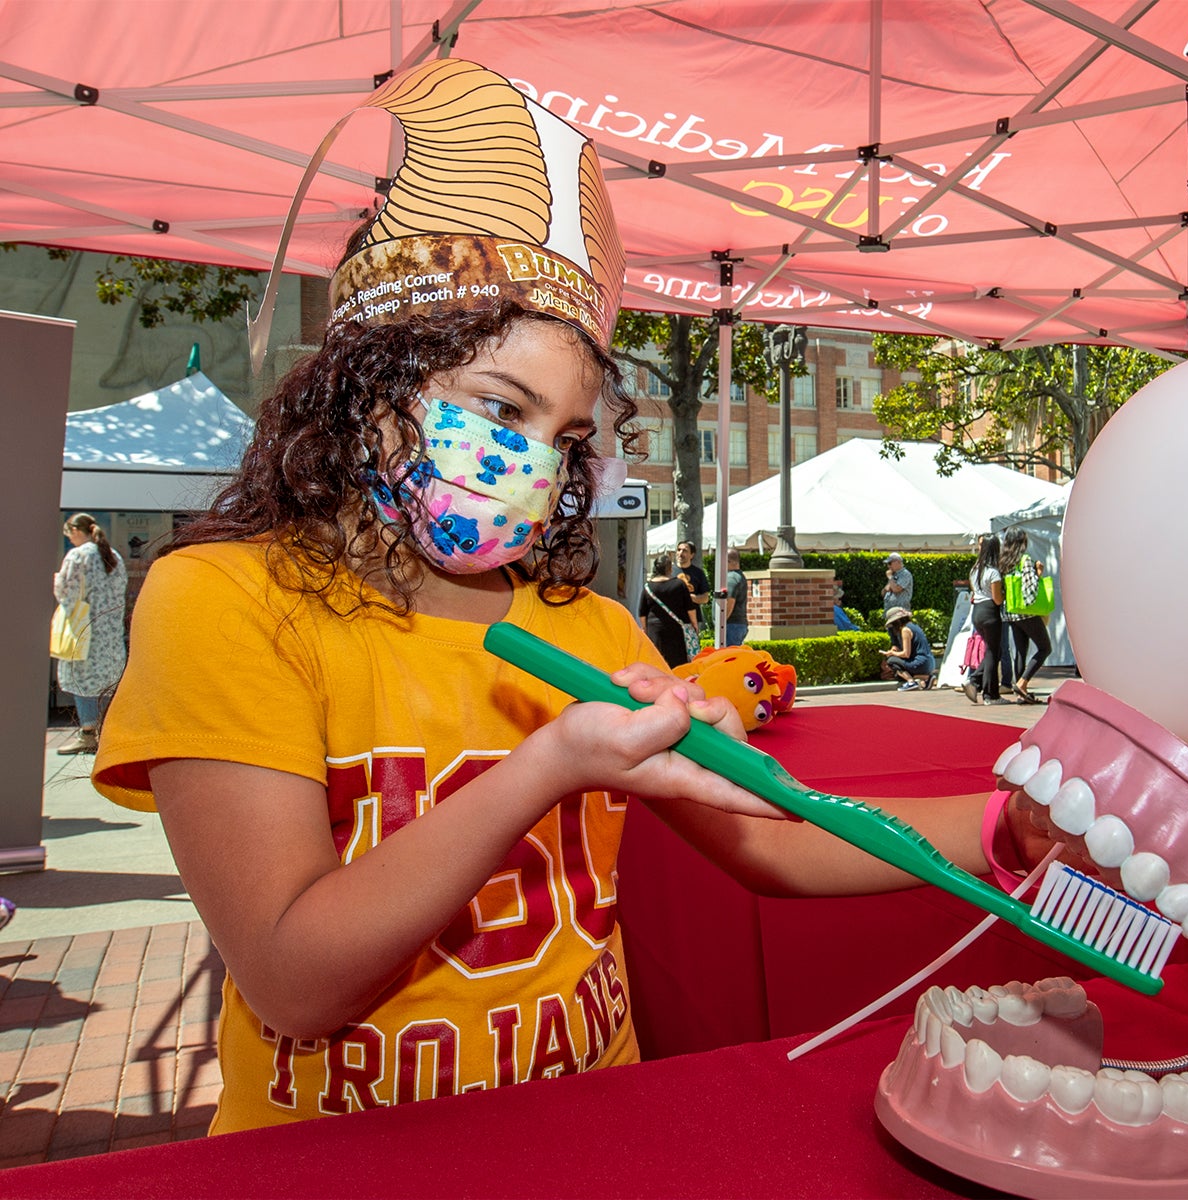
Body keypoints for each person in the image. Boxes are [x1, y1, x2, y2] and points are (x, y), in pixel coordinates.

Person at [85, 58, 1048, 1135]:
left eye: (567, 438)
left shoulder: (587, 627)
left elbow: (773, 840)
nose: (534, 464)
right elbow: (295, 980)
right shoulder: (222, 599)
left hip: (587, 1132)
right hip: (332, 1159)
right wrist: (547, 767)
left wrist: (1017, 829)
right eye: (500, 409)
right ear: (366, 388)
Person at [52, 513, 129, 755]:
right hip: (110, 633)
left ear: (75, 531)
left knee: (83, 682)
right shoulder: (113, 556)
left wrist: (56, 582)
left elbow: (68, 593)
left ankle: (87, 733)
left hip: (84, 631)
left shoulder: (78, 556)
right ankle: (105, 733)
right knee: (106, 683)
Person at [999, 528, 1052, 705]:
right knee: (1045, 648)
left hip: (1011, 613)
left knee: (1020, 651)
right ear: (1022, 542)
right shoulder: (1024, 560)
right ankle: (1022, 683)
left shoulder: (1003, 562)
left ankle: (1022, 692)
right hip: (1026, 612)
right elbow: (1030, 589)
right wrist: (1038, 573)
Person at [961, 535, 1006, 705]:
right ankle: (986, 691)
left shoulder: (975, 570)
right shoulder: (993, 572)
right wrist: (1005, 593)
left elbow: (974, 592)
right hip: (990, 612)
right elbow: (997, 599)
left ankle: (983, 688)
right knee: (993, 652)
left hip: (977, 612)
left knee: (992, 651)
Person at [639, 552, 700, 666]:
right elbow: (690, 608)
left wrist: (645, 629)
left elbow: (642, 612)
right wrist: (694, 624)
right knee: (677, 663)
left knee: (657, 662)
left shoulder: (648, 587)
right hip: (676, 630)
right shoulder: (679, 584)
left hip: (655, 630)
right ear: (670, 568)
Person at [879, 606, 935, 690]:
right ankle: (926, 678)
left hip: (920, 663)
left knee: (891, 661)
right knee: (898, 673)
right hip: (929, 662)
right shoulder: (914, 626)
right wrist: (895, 649)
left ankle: (911, 682)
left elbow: (906, 654)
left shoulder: (905, 630)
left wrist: (891, 653)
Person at [675, 540, 711, 630]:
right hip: (672, 618)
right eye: (679, 550)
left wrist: (690, 597)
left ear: (692, 555)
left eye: (685, 551)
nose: (680, 553)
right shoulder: (669, 571)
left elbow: (705, 598)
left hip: (691, 621)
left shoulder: (698, 573)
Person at [719, 548, 749, 646]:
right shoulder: (739, 576)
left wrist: (721, 623)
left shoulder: (731, 578)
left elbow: (730, 602)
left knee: (729, 657)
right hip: (737, 625)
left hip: (731, 625)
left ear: (728, 562)